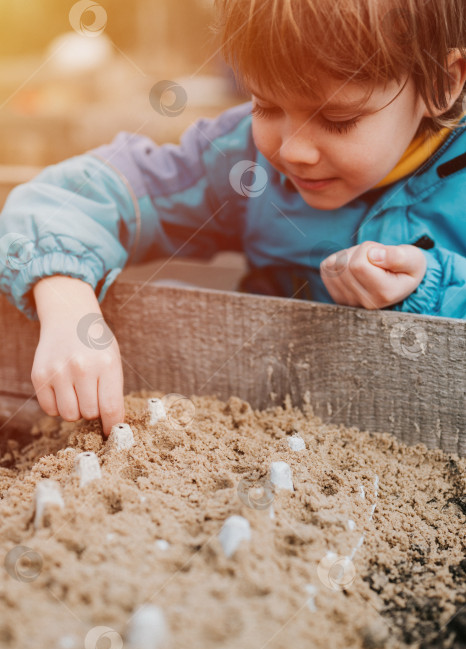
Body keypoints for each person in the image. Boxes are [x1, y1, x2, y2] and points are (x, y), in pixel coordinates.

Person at [0, 0, 465, 435]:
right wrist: (66, 303)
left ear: (445, 82)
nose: (293, 149)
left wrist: (429, 288)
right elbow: (70, 197)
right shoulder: (242, 162)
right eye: (266, 105)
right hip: (271, 430)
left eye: (338, 120)